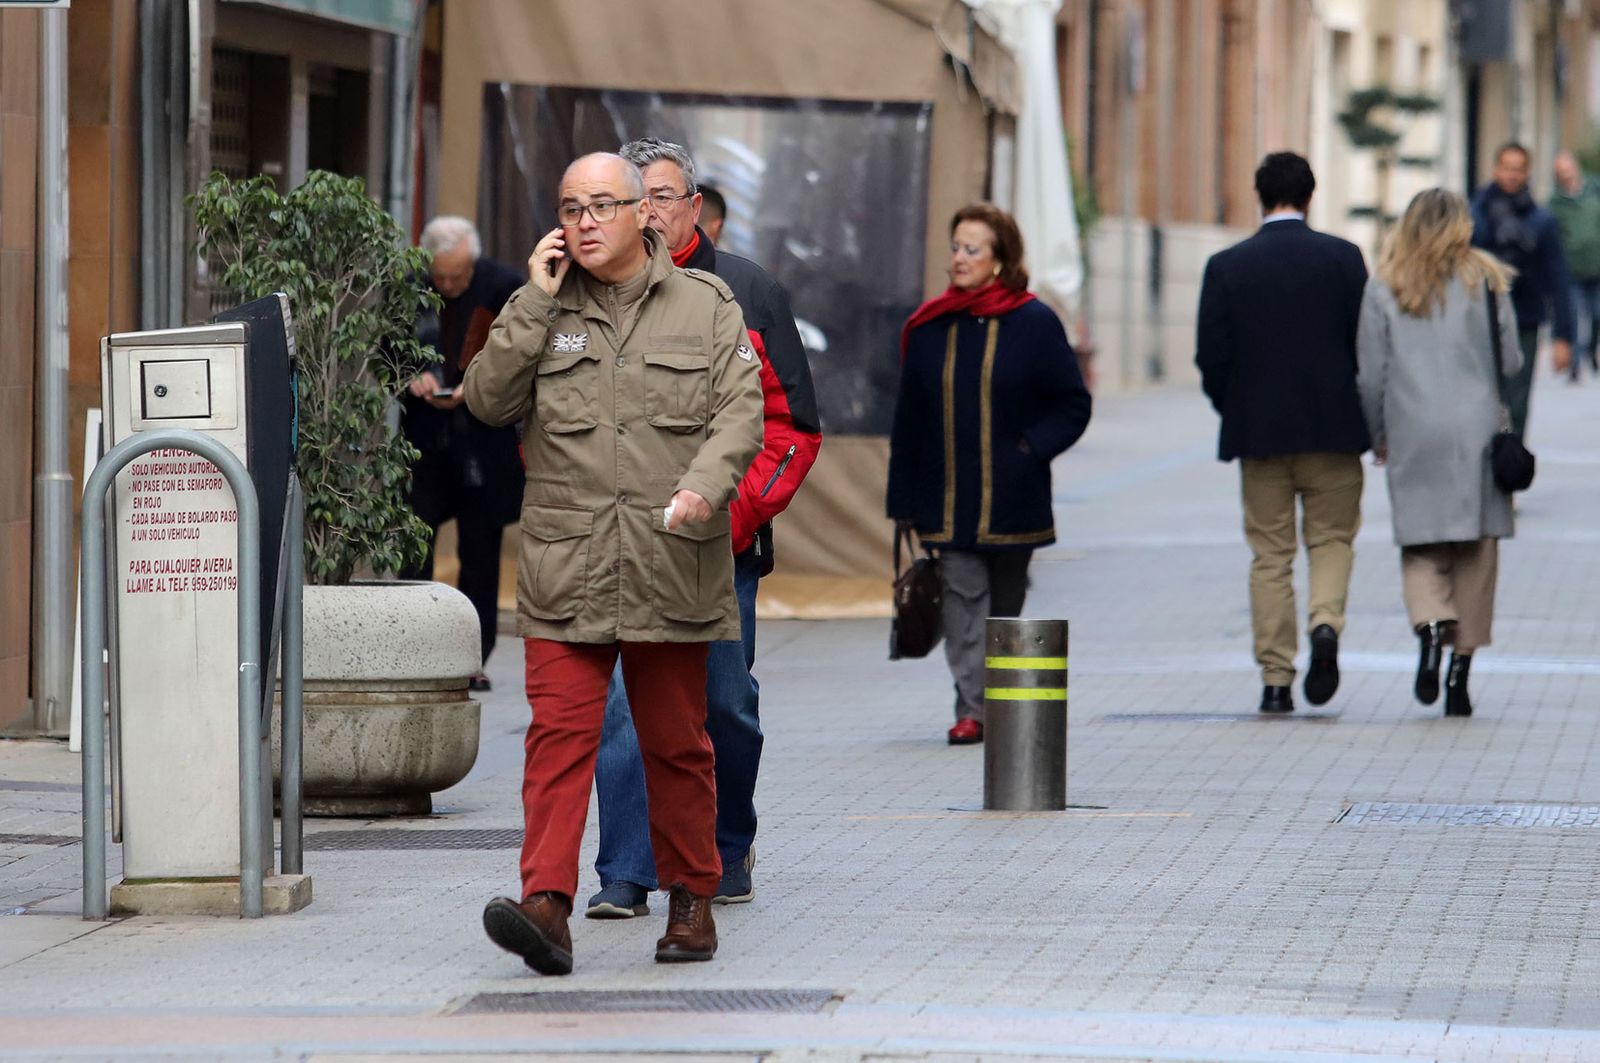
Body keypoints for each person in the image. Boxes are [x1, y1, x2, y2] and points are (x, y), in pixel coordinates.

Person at [466, 153, 763, 975]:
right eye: (570, 207)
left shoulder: (706, 306)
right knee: (559, 737)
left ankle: (692, 898)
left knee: (675, 742)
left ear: (648, 215)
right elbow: (487, 400)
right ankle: (547, 905)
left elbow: (742, 414)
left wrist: (707, 488)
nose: (584, 221)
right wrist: (531, 298)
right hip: (570, 565)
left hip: (673, 560)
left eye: (602, 205)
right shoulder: (542, 306)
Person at [583, 139, 822, 919]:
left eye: (660, 194)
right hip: (624, 548)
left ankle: (726, 841)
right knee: (623, 709)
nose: (646, 210)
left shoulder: (748, 292)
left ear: (695, 204)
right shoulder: (592, 292)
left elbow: (792, 430)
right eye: (632, 196)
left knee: (725, 705)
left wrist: (729, 514)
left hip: (720, 549)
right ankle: (624, 868)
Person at [887, 203, 1091, 745]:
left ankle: (1000, 703)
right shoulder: (930, 326)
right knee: (962, 601)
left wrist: (1031, 449)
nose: (958, 258)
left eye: (971, 249)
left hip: (1012, 498)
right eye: (955, 247)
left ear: (999, 260)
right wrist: (901, 498)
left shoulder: (1034, 321)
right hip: (946, 497)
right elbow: (908, 418)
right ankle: (971, 710)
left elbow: (1072, 404)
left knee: (1005, 609)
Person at [1195, 152, 1370, 715]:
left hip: (1260, 434)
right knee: (1332, 540)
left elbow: (1211, 356)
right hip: (1334, 431)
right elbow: (1365, 348)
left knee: (1269, 555)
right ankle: (1324, 622)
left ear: (1259, 195)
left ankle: (1276, 678)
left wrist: (1236, 407)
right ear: (1311, 196)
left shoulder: (1228, 266)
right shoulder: (1344, 259)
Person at [1357, 189, 1520, 717]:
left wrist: (1378, 432)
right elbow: (1512, 359)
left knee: (1422, 547)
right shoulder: (1488, 280)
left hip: (1413, 428)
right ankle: (1459, 675)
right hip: (1477, 431)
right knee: (1476, 553)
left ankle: (1430, 627)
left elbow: (1370, 374)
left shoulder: (1386, 285)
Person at [400, 217, 526, 691]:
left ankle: (473, 657)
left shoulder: (504, 286)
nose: (449, 287)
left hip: (482, 441)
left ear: (472, 262)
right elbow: (388, 348)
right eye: (441, 278)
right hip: (426, 440)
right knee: (414, 549)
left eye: (458, 277)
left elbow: (517, 354)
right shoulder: (409, 287)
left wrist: (476, 386)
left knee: (481, 555)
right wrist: (413, 375)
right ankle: (414, 651)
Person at [1470, 142, 1574, 434]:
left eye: (1518, 169)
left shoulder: (1542, 221)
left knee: (1516, 405)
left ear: (1527, 173)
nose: (1512, 175)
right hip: (1478, 319)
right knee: (1479, 398)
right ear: (1495, 169)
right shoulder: (1474, 213)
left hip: (1524, 321)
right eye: (1506, 167)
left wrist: (1563, 337)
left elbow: (1558, 278)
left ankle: (1508, 467)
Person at [1549, 150, 1600, 381]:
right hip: (1571, 270)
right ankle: (1575, 365)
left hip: (1597, 267)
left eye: (1568, 170)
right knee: (1576, 317)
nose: (1566, 175)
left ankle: (1592, 350)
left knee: (1597, 315)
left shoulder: (1594, 191)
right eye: (1561, 172)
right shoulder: (1555, 203)